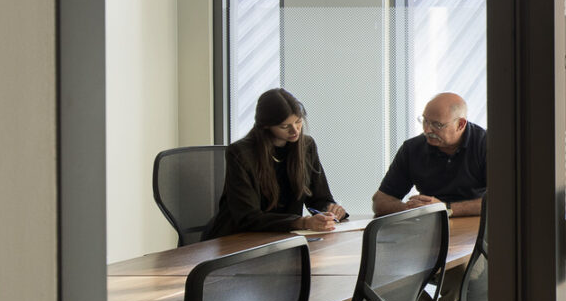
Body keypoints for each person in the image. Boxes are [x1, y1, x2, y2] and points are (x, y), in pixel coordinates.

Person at [203, 87, 348, 240]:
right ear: (265, 125)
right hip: (237, 239)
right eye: (285, 126)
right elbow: (248, 217)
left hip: (281, 238)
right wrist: (302, 222)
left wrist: (331, 210)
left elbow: (319, 198)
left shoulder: (306, 146)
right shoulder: (240, 153)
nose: (295, 131)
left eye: (298, 122)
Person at [373, 92, 487, 218]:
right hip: (429, 225)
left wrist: (445, 209)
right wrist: (414, 209)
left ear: (460, 124)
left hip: (477, 225)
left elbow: (503, 199)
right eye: (425, 121)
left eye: (437, 125)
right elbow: (380, 201)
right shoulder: (412, 149)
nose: (427, 130)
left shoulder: (487, 145)